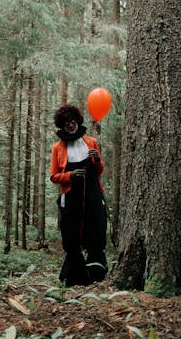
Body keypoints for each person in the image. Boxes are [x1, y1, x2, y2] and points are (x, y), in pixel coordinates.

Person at [50, 104, 108, 286]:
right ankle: (75, 277)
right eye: (67, 123)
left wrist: (97, 159)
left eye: (73, 122)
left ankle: (96, 272)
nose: (71, 125)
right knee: (72, 233)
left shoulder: (90, 142)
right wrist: (70, 176)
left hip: (92, 192)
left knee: (95, 227)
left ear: (78, 122)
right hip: (71, 195)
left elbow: (99, 170)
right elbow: (53, 176)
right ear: (62, 125)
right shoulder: (57, 148)